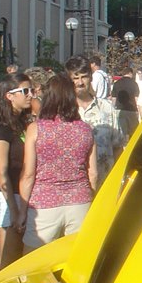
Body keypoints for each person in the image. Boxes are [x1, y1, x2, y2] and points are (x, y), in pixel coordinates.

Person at [18, 74, 97, 248]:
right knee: (74, 257)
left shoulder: (36, 129)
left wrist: (22, 211)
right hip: (79, 200)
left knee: (35, 262)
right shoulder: (85, 129)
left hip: (44, 203)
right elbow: (93, 172)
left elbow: (28, 174)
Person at [0, 73, 33, 270]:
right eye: (25, 91)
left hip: (22, 195)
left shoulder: (24, 123)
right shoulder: (0, 128)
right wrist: (14, 211)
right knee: (9, 259)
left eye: (31, 90)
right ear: (9, 96)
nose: (30, 95)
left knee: (24, 257)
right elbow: (2, 172)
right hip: (9, 197)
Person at [66, 55, 124, 187]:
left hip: (105, 184)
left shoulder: (106, 108)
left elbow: (118, 147)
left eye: (84, 77)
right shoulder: (64, 111)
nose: (80, 82)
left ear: (91, 77)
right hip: (75, 189)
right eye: (75, 78)